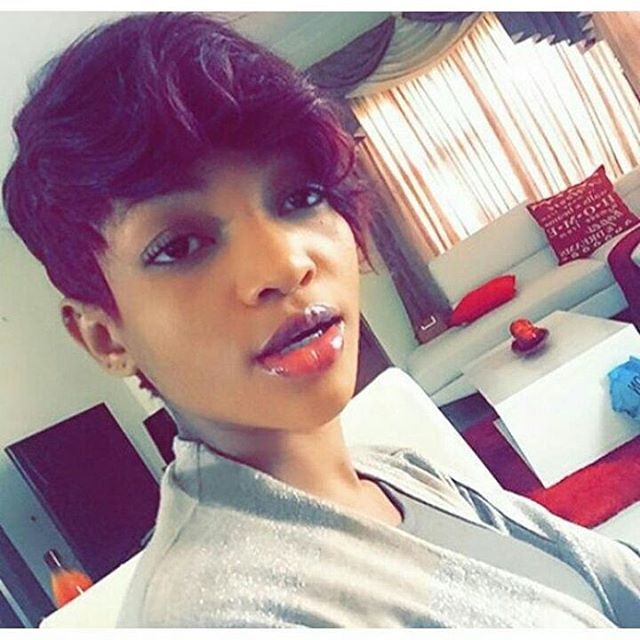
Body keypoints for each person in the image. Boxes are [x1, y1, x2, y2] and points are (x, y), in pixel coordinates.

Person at [3, 12, 640, 628]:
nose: (285, 264)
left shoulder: (395, 471)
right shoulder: (224, 618)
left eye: (301, 196)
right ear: (105, 336)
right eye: (179, 246)